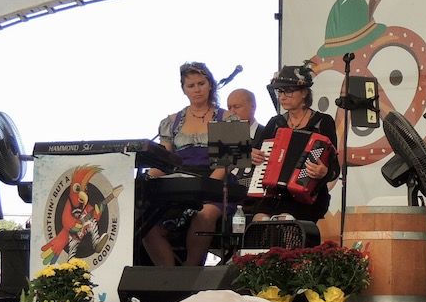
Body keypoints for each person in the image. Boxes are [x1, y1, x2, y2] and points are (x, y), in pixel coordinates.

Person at [143, 61, 230, 267]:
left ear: (210, 85)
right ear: (184, 89)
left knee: (205, 214)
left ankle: (191, 272)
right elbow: (164, 162)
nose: (197, 89)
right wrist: (145, 179)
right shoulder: (171, 121)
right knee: (145, 220)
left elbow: (225, 165)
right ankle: (169, 276)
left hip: (215, 183)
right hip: (179, 184)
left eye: (201, 83)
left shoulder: (227, 118)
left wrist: (204, 190)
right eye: (191, 85)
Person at [249, 64, 340, 221]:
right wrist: (253, 156)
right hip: (275, 194)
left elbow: (334, 168)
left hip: (307, 196)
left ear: (304, 92)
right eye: (280, 92)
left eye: (288, 91)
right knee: (259, 221)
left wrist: (324, 172)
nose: (282, 97)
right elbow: (256, 156)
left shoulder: (323, 122)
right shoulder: (275, 123)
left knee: (286, 221)